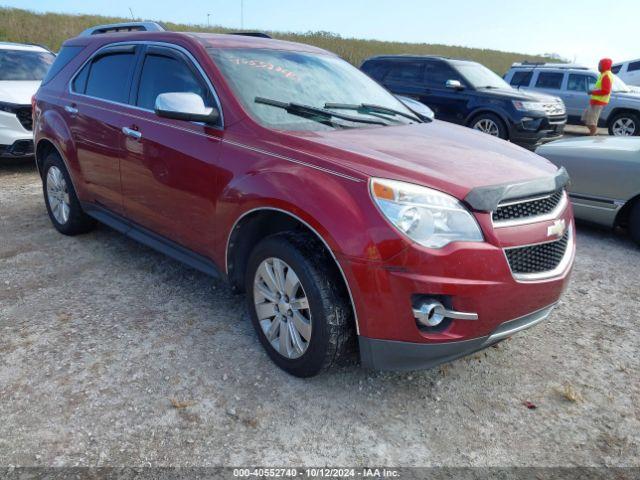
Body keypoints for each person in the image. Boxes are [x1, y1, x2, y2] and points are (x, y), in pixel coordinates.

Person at [582, 58, 613, 136]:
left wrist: (592, 92)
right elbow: (600, 88)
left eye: (600, 64)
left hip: (598, 102)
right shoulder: (603, 74)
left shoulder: (606, 75)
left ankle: (593, 136)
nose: (598, 66)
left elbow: (606, 91)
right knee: (585, 119)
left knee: (592, 122)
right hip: (595, 101)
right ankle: (593, 134)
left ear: (604, 65)